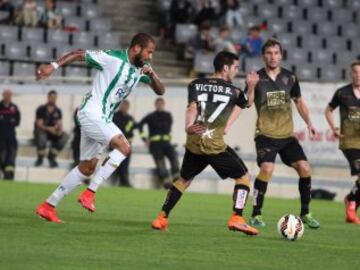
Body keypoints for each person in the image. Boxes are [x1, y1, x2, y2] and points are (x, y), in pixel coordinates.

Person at [35, 33, 165, 223]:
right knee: (124, 147)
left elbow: (161, 90)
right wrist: (53, 66)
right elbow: (79, 54)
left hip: (102, 118)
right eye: (149, 52)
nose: (150, 57)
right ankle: (90, 192)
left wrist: (152, 74)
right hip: (91, 112)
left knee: (86, 168)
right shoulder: (112, 58)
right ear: (137, 48)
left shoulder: (141, 69)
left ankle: (48, 206)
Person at [151, 51, 260, 235]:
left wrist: (188, 126)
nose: (236, 71)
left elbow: (192, 107)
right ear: (225, 68)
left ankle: (161, 217)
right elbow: (248, 103)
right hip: (214, 146)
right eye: (235, 68)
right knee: (244, 177)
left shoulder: (196, 84)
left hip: (194, 143)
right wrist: (251, 86)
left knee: (183, 180)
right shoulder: (234, 91)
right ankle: (237, 218)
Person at [248, 39, 320, 229]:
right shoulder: (256, 78)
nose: (273, 56)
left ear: (281, 55)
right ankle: (256, 214)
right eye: (269, 53)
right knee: (267, 169)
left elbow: (299, 102)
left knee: (305, 167)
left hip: (287, 136)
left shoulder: (291, 77)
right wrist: (249, 86)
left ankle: (305, 213)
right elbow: (248, 103)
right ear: (264, 55)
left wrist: (310, 124)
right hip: (265, 134)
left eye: (276, 53)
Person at [325, 60, 360, 224]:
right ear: (351, 73)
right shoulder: (342, 93)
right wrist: (334, 128)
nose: (358, 75)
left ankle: (351, 201)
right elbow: (328, 110)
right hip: (349, 142)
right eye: (355, 72)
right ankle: (352, 205)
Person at [139, 98, 179, 188]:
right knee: (160, 163)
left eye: (161, 104)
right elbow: (140, 125)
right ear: (155, 105)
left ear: (164, 104)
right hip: (155, 144)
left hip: (166, 143)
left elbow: (168, 128)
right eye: (158, 104)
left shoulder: (168, 115)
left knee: (174, 158)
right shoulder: (151, 116)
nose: (160, 106)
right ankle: (166, 184)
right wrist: (144, 139)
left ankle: (177, 181)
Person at [34, 90, 68, 168]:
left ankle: (51, 157)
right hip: (42, 131)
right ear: (48, 97)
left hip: (53, 133)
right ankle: (40, 158)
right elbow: (39, 125)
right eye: (52, 97)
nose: (53, 99)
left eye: (55, 98)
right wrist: (50, 129)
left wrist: (59, 130)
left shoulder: (58, 110)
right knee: (42, 135)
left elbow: (59, 124)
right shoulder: (41, 109)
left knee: (65, 136)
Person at [112, 100, 136, 187]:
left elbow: (132, 132)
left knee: (125, 164)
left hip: (126, 145)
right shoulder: (114, 116)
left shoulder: (130, 119)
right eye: (124, 106)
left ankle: (124, 181)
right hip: (116, 145)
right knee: (118, 164)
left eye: (126, 106)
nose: (125, 108)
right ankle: (124, 182)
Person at [0, 89, 20, 180]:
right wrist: (8, 121)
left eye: (9, 95)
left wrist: (4, 120)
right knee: (2, 157)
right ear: (3, 95)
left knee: (11, 157)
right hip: (1, 138)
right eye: (6, 94)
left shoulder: (14, 108)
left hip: (11, 138)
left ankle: (9, 176)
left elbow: (17, 121)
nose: (7, 96)